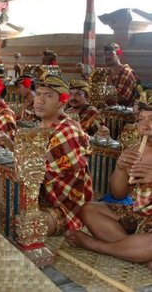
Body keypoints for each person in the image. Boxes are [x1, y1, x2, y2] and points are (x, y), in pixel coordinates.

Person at [66, 88, 152, 268]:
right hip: (139, 215)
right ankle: (137, 252)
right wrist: (121, 168)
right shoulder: (135, 150)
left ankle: (98, 246)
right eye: (140, 120)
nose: (145, 126)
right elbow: (118, 194)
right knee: (89, 210)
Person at [34, 74, 93, 235]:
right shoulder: (39, 127)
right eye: (38, 94)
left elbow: (38, 175)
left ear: (63, 101)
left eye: (48, 96)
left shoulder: (68, 131)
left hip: (65, 208)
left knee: (26, 225)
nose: (40, 100)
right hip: (39, 198)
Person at [104, 42, 138, 107]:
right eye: (105, 54)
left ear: (118, 54)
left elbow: (121, 98)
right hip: (107, 112)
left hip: (122, 114)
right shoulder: (106, 72)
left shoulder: (125, 72)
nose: (107, 57)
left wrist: (109, 82)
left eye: (111, 54)